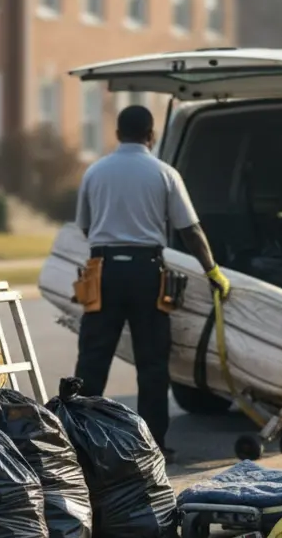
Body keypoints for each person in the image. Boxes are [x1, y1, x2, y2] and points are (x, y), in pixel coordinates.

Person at [73, 104, 230, 458]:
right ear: (152, 135)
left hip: (103, 271)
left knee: (93, 360)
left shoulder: (95, 172)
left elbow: (84, 226)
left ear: (117, 134)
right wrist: (212, 271)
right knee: (152, 365)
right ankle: (152, 446)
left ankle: (80, 442)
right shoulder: (164, 173)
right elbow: (190, 230)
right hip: (147, 272)